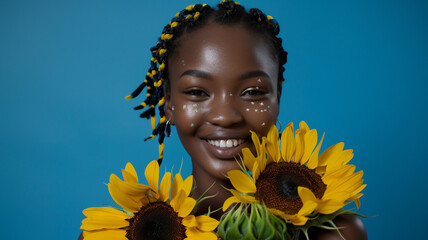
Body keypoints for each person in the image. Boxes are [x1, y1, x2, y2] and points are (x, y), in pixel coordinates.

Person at [79, 1, 367, 239]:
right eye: (197, 92)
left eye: (253, 92)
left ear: (278, 96)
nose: (225, 116)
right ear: (169, 103)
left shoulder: (336, 235)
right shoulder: (106, 235)